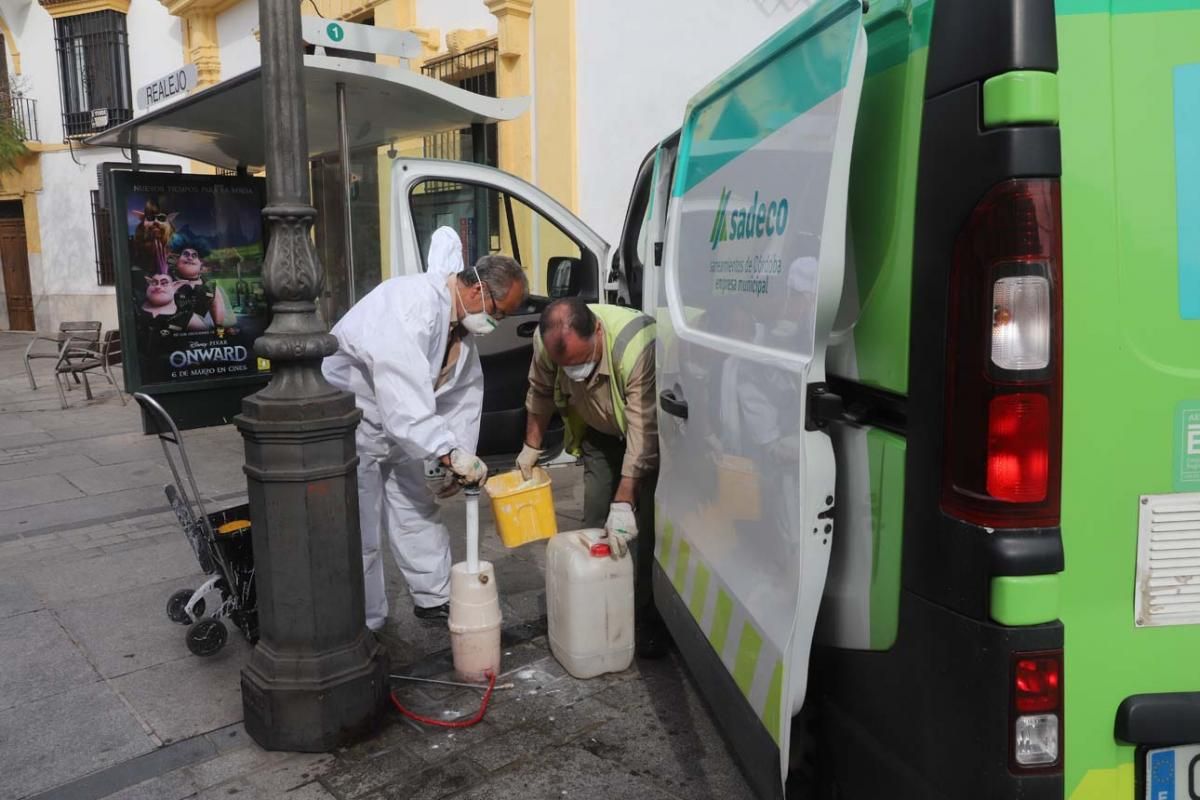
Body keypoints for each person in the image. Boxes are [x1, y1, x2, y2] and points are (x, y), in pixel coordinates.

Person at [323, 251, 529, 630]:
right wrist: (446, 452)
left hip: (403, 430)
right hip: (355, 421)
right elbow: (401, 395)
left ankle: (433, 597)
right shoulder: (412, 305)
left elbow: (462, 398)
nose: (497, 323)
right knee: (361, 526)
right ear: (477, 291)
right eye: (498, 312)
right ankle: (366, 622)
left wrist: (455, 457)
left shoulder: (460, 331)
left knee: (416, 506)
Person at [519, 297, 669, 657]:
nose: (574, 372)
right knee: (592, 525)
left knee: (642, 528)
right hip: (598, 433)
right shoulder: (547, 342)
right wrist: (531, 448)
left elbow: (643, 432)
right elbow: (539, 392)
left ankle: (646, 617)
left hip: (642, 436)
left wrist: (625, 499)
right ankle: (589, 607)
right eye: (565, 366)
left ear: (597, 331)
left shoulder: (638, 345)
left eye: (582, 361)